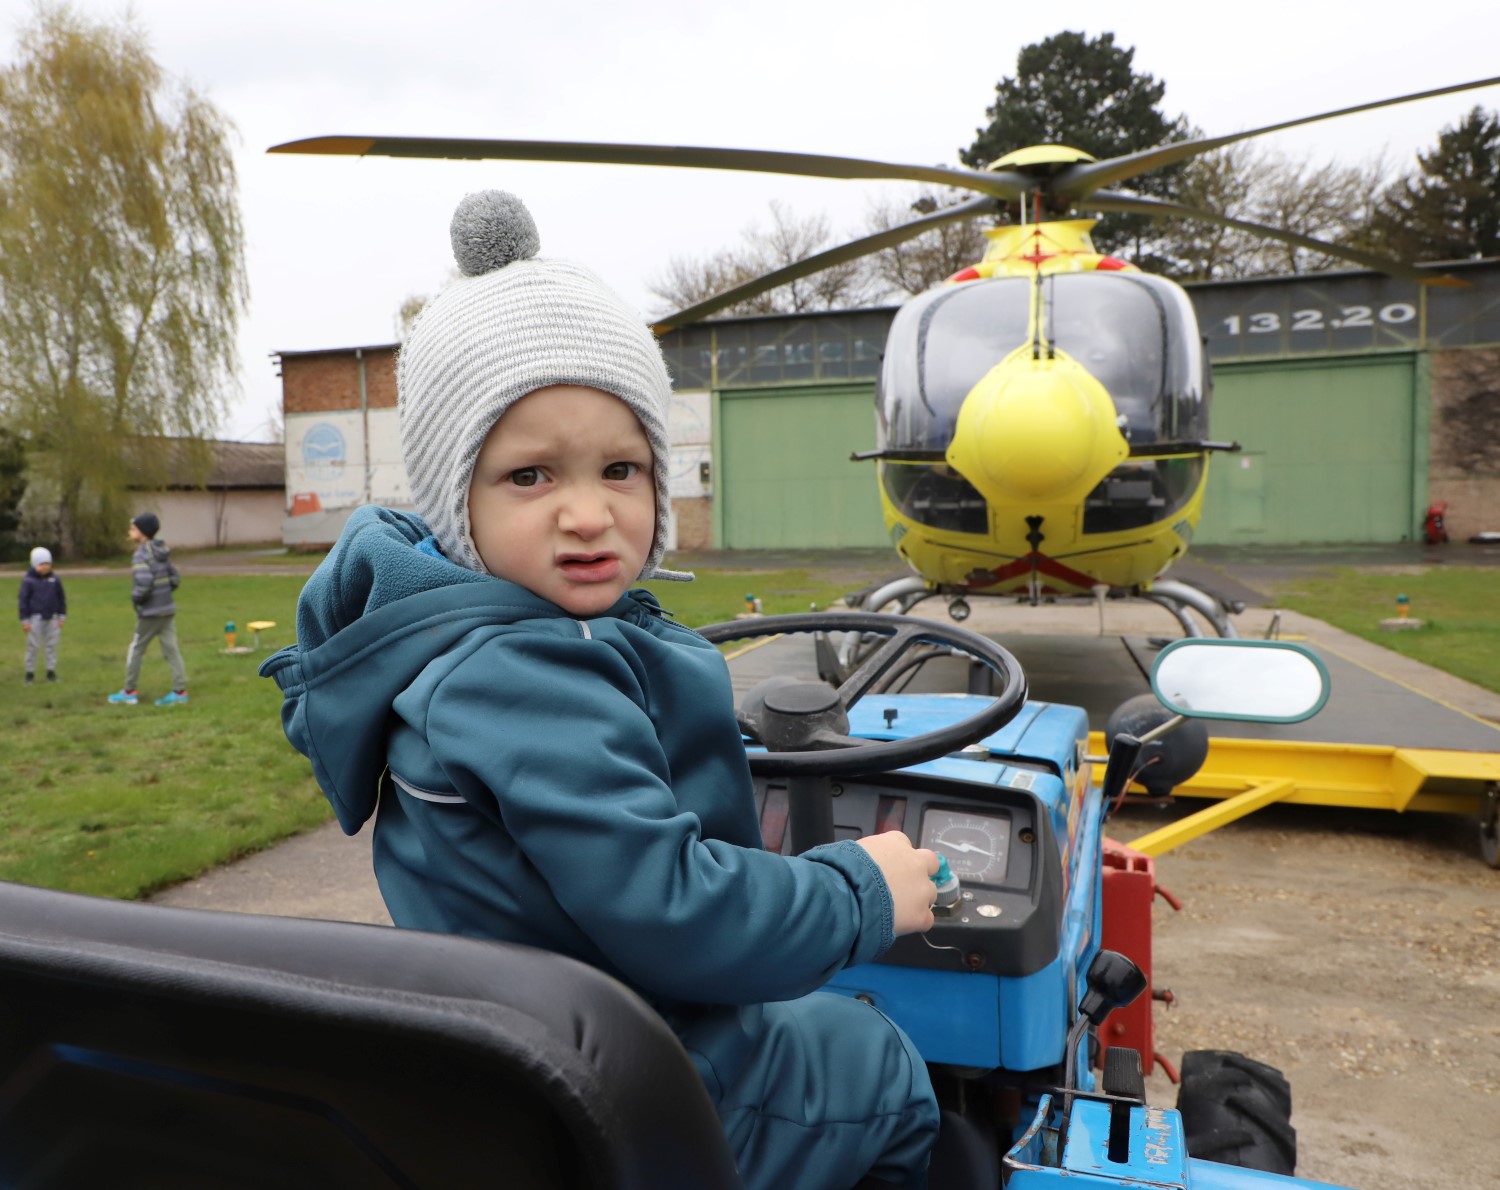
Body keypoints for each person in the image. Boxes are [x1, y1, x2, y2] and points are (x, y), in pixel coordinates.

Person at [263, 191, 942, 1190]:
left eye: (620, 468)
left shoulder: (469, 644)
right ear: (455, 501)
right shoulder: (521, 675)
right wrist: (856, 891)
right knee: (887, 1067)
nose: (588, 514)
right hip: (638, 1082)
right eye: (531, 476)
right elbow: (678, 911)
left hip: (530, 1056)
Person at [108, 512, 188, 707]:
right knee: (172, 650)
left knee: (136, 649)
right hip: (167, 609)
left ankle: (129, 691)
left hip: (150, 612)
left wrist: (137, 599)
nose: (130, 531)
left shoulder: (141, 555)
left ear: (142, 532)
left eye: (133, 528)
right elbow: (175, 578)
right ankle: (180, 692)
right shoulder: (162, 551)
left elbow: (144, 583)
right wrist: (164, 593)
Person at [18, 546, 66, 684]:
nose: (45, 567)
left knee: (52, 645)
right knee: (33, 646)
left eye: (47, 564)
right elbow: (23, 601)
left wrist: (61, 616)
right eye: (41, 564)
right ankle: (30, 673)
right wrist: (25, 620)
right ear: (34, 565)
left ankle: (51, 671)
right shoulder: (29, 581)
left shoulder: (55, 580)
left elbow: (61, 598)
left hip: (53, 617)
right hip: (35, 618)